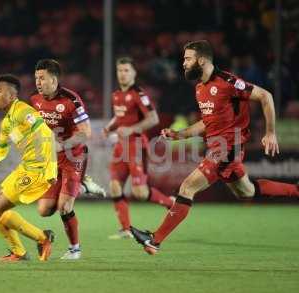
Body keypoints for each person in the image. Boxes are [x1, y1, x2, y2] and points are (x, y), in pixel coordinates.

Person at [131, 40, 299, 255]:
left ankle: (155, 240)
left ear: (201, 60)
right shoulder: (200, 88)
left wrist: (270, 132)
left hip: (228, 147)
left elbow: (265, 96)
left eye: (187, 59)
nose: (183, 63)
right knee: (246, 190)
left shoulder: (227, 81)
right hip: (218, 146)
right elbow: (206, 123)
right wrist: (179, 135)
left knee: (187, 187)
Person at [0, 74, 56, 262]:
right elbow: (0, 152)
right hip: (24, 168)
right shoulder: (6, 122)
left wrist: (51, 169)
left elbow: (47, 134)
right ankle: (19, 253)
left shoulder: (22, 111)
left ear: (12, 95)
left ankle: (42, 238)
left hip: (37, 171)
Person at [103, 57, 175, 239]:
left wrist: (131, 129)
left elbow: (153, 119)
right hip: (121, 147)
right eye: (120, 70)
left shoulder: (138, 94)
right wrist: (109, 127)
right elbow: (119, 117)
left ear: (134, 73)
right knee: (114, 186)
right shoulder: (117, 94)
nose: (122, 74)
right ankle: (126, 229)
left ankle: (170, 202)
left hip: (135, 145)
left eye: (126, 70)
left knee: (140, 192)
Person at [30, 59, 95, 259]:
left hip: (73, 156)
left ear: (54, 79)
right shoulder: (34, 100)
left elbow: (86, 133)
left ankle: (74, 249)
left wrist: (62, 145)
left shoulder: (71, 100)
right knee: (44, 210)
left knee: (64, 207)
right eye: (36, 78)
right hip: (51, 161)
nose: (38, 83)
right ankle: (83, 186)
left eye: (42, 78)